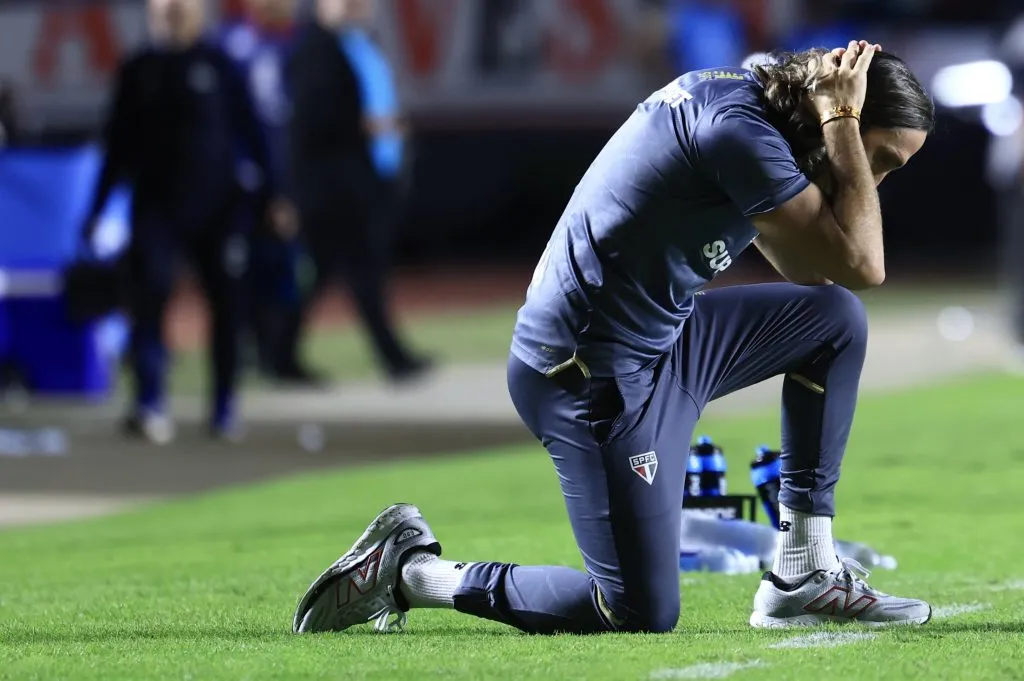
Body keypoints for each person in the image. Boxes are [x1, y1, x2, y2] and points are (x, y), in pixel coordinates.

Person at [292, 42, 936, 634]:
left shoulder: (762, 107)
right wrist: (846, 132)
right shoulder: (740, 132)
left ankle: (803, 571)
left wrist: (843, 136)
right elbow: (866, 265)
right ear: (841, 114)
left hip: (663, 339)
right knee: (635, 610)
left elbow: (812, 271)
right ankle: (410, 572)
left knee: (832, 321)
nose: (874, 181)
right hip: (587, 373)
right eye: (883, 159)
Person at [82, 0, 272, 443]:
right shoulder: (139, 69)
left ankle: (224, 405)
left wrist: (275, 195)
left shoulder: (220, 64)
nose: (172, 11)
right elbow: (117, 146)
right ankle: (149, 400)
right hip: (156, 207)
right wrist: (96, 209)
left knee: (226, 306)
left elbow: (255, 132)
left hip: (217, 208)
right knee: (148, 299)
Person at [287, 0, 431, 383]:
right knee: (355, 272)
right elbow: (315, 122)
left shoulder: (360, 44)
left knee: (336, 272)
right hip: (333, 189)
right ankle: (392, 356)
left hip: (365, 182)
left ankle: (279, 351)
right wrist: (371, 127)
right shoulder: (315, 50)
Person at [218, 0, 319, 384]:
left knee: (288, 273)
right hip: (241, 185)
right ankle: (244, 352)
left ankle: (277, 355)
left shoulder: (296, 45)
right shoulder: (231, 45)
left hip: (289, 178)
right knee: (240, 272)